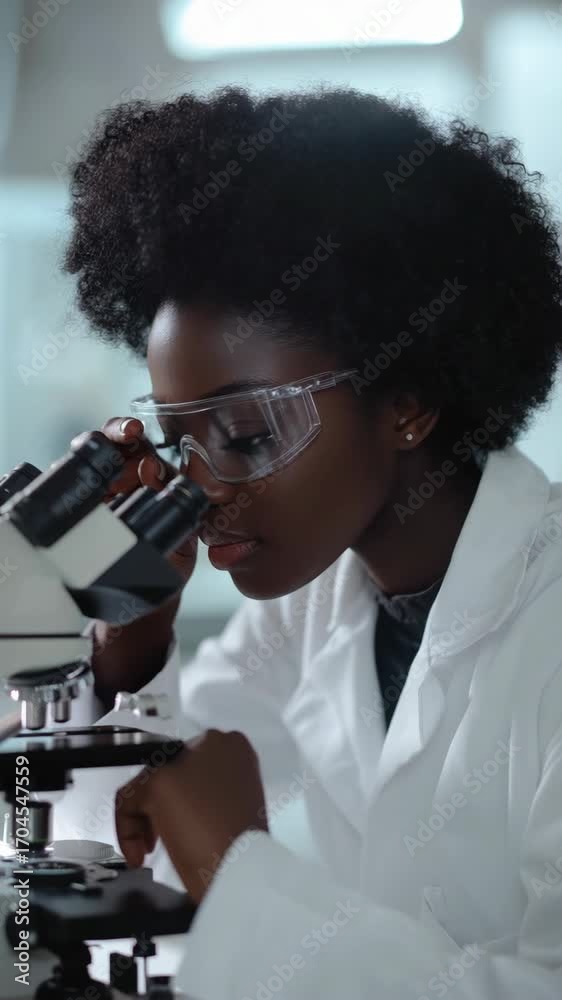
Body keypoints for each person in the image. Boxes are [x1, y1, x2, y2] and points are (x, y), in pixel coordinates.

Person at [58, 85, 562, 998]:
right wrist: (131, 641)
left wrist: (234, 872)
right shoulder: (313, 605)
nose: (201, 489)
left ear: (407, 404)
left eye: (247, 435)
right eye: (180, 442)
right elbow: (103, 850)